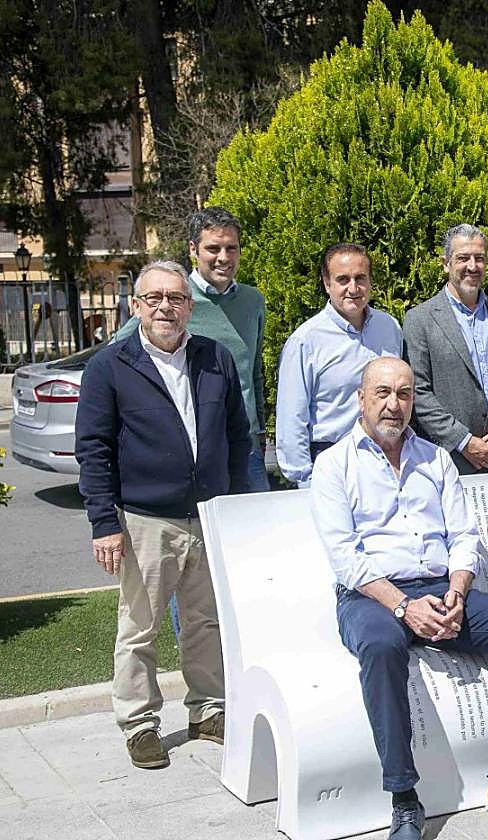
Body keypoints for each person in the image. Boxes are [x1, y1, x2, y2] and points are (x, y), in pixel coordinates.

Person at [310, 357, 488, 839]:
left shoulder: (435, 458)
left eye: (404, 394)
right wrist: (404, 608)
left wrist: (456, 591)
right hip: (370, 598)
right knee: (383, 645)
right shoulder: (334, 465)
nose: (394, 404)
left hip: (440, 590)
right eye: (382, 393)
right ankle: (404, 797)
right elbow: (346, 558)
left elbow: (464, 535)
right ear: (361, 399)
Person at [75, 260, 251, 770]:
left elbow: (238, 438)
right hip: (145, 521)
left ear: (189, 306)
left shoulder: (214, 358)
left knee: (206, 622)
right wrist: (104, 524)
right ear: (136, 307)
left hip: (210, 516)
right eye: (153, 298)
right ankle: (139, 725)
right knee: (139, 627)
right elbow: (94, 450)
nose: (164, 307)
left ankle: (207, 710)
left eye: (174, 298)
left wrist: (236, 505)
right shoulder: (110, 366)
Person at [111, 208, 270, 490]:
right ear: (193, 250)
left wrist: (259, 432)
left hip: (245, 449)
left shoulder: (252, 301)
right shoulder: (173, 301)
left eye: (231, 248)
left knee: (252, 531)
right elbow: (116, 356)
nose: (223, 257)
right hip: (194, 451)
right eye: (213, 248)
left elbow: (253, 371)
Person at [404, 224, 488, 474]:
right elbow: (418, 391)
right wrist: (463, 441)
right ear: (445, 263)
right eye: (463, 258)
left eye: (480, 258)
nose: (472, 266)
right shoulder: (419, 320)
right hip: (448, 461)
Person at [275, 243, 405, 486]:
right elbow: (291, 421)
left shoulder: (389, 328)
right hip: (331, 464)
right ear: (327, 283)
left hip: (386, 460)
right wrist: (307, 482)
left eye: (360, 278)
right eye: (343, 279)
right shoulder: (305, 341)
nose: (353, 288)